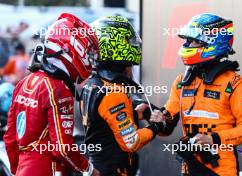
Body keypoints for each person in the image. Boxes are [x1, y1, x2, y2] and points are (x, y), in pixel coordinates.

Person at [150, 13, 242, 176]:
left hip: (221, 170)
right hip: (189, 167)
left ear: (213, 43)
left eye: (193, 41)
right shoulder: (182, 81)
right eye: (187, 40)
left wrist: (214, 139)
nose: (187, 45)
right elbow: (166, 128)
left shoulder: (235, 83)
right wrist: (157, 118)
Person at [4, 13, 100, 176]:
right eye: (87, 53)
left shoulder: (24, 82)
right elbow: (63, 149)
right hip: (49, 169)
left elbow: (10, 139)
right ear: (72, 49)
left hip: (23, 169)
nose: (90, 60)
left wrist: (17, 170)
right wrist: (90, 170)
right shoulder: (59, 89)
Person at [80, 16, 163, 176]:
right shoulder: (112, 91)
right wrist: (155, 126)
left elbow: (102, 125)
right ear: (114, 43)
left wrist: (132, 113)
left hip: (98, 166)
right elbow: (131, 142)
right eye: (128, 39)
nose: (134, 44)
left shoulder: (93, 83)